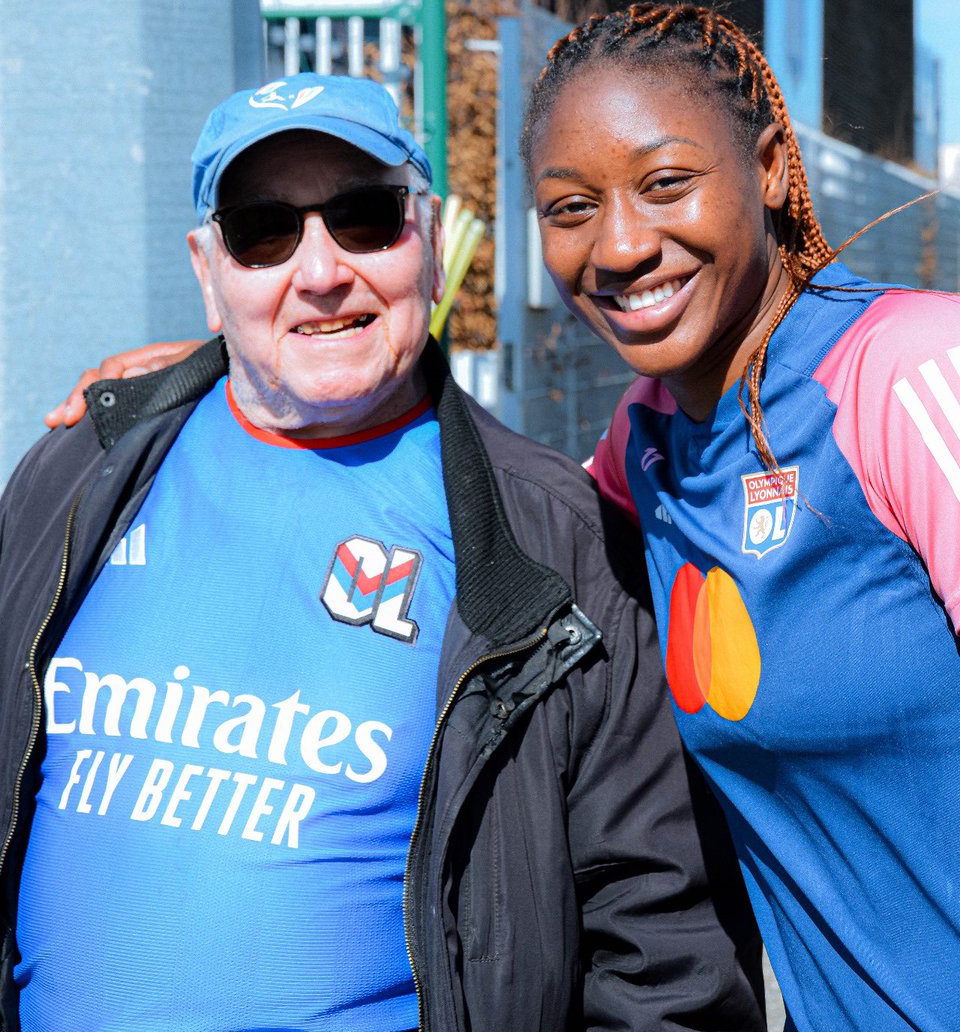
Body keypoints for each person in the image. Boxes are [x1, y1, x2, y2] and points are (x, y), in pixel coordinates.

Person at [0, 71, 765, 1031]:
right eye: (263, 232)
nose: (319, 272)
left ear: (432, 245)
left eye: (365, 217)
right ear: (209, 272)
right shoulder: (76, 474)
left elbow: (662, 954)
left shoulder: (552, 543)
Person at [522, 1, 960, 1032]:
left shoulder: (906, 377)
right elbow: (487, 518)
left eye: (666, 183)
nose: (621, 245)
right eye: (571, 207)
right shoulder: (644, 452)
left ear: (768, 167)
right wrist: (220, 399)